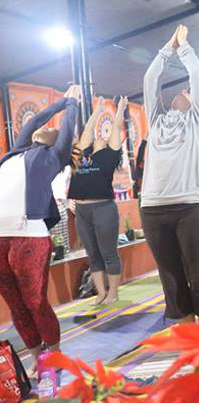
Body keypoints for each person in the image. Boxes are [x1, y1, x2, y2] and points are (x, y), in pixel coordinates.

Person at [140, 25, 199, 325]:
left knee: (198, 274)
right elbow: (150, 80)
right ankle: (192, 344)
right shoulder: (156, 121)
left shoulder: (198, 121)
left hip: (191, 207)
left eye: (186, 92)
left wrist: (184, 48)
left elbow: (197, 79)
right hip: (153, 209)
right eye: (179, 91)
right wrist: (166, 48)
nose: (181, 93)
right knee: (170, 279)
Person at [0, 85, 80, 370]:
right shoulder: (17, 152)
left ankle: (54, 355)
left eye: (50, 130)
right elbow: (33, 122)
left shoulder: (52, 156)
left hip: (29, 238)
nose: (39, 130)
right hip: (1, 239)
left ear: (56, 141)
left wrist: (72, 105)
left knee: (35, 302)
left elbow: (67, 129)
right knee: (16, 306)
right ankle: (37, 359)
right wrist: (60, 102)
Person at [68, 96, 127, 305]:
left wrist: (119, 110)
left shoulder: (110, 156)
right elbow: (86, 133)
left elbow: (116, 130)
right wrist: (98, 110)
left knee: (108, 252)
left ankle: (113, 292)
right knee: (92, 254)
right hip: (82, 212)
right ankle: (100, 293)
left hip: (103, 208)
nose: (101, 135)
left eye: (105, 134)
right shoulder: (80, 154)